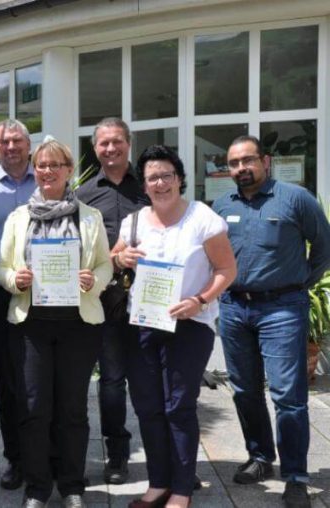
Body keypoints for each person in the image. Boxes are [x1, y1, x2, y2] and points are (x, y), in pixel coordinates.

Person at [112, 145, 236, 508]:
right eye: (152, 177)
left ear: (179, 178)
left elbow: (227, 269)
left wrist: (200, 299)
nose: (160, 183)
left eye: (167, 175)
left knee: (179, 407)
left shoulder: (202, 218)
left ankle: (181, 491)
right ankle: (158, 483)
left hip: (190, 324)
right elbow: (112, 259)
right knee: (148, 406)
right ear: (144, 185)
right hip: (144, 324)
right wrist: (120, 257)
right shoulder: (134, 222)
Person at [213, 135, 330, 508]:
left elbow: (324, 247)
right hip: (234, 308)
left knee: (287, 396)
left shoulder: (295, 198)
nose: (241, 168)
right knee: (244, 390)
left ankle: (295, 476)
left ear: (266, 161)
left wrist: (299, 284)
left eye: (248, 160)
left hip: (282, 309)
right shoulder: (221, 205)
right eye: (234, 163)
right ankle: (260, 456)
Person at [0, 137, 112, 508]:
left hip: (78, 325)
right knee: (34, 409)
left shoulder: (89, 217)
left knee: (72, 409)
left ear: (69, 171)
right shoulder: (19, 218)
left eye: (55, 165)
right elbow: (2, 268)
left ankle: (72, 486)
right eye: (42, 165)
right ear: (35, 170)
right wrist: (16, 280)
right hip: (32, 326)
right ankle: (37, 488)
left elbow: (105, 264)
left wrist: (94, 280)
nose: (48, 171)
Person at [75, 117, 149, 484]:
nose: (110, 148)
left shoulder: (150, 187)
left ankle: (167, 454)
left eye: (117, 141)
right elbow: (76, 250)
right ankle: (117, 454)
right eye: (103, 143)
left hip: (150, 298)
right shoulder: (83, 195)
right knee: (112, 380)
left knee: (154, 380)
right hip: (106, 300)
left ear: (128, 143)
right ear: (95, 148)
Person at [0, 119, 36, 490]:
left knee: (43, 376)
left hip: (44, 293)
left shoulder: (47, 180)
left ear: (28, 146)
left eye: (17, 141)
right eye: (4, 142)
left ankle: (47, 456)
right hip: (1, 294)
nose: (11, 147)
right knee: (8, 377)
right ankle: (16, 458)